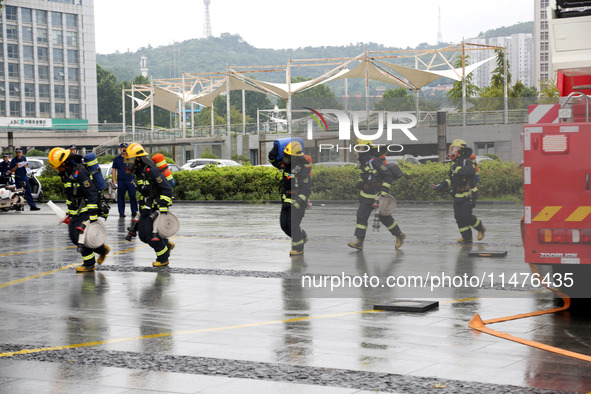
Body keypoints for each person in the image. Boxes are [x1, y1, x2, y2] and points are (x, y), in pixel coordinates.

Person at [48, 147, 110, 273]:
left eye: (58, 166)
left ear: (65, 163)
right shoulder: (66, 175)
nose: (57, 169)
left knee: (79, 236)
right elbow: (70, 196)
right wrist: (69, 212)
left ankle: (89, 264)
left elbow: (92, 193)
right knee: (73, 236)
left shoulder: (80, 172)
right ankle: (102, 250)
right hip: (76, 211)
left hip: (87, 209)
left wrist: (92, 215)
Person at [348, 139, 405, 251]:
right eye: (358, 148)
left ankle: (399, 235)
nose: (360, 151)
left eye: (362, 148)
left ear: (368, 149)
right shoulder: (362, 162)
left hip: (378, 195)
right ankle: (359, 241)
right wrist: (361, 182)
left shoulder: (374, 161)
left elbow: (388, 176)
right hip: (366, 195)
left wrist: (383, 193)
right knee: (361, 216)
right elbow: (367, 176)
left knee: (385, 218)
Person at [124, 143, 174, 267]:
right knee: (142, 235)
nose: (129, 162)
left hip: (155, 207)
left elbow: (167, 188)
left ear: (138, 159)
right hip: (146, 207)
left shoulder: (151, 170)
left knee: (151, 236)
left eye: (130, 159)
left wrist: (162, 206)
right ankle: (166, 245)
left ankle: (163, 258)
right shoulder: (139, 172)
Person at [432, 139, 485, 243]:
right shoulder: (454, 164)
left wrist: (457, 169)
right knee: (459, 217)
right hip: (458, 194)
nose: (452, 152)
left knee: (466, 216)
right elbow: (451, 179)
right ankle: (467, 237)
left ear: (460, 151)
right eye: (451, 150)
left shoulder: (467, 161)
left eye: (454, 149)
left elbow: (468, 173)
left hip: (469, 193)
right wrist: (440, 186)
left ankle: (481, 228)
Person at [269, 141, 312, 256]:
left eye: (288, 156)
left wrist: (299, 202)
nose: (286, 158)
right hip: (286, 201)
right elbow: (272, 159)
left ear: (296, 158)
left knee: (293, 225)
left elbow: (307, 189)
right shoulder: (285, 165)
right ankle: (302, 236)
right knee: (284, 226)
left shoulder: (302, 170)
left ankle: (298, 248)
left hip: (298, 203)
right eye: (285, 155)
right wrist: (275, 148)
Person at [111, 142, 138, 218]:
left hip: (130, 180)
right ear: (120, 149)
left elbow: (135, 168)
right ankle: (121, 212)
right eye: (122, 148)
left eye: (125, 148)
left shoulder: (130, 157)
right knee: (120, 197)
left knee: (132, 196)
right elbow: (114, 169)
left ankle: (134, 211)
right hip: (121, 181)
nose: (124, 149)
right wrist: (114, 180)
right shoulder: (117, 159)